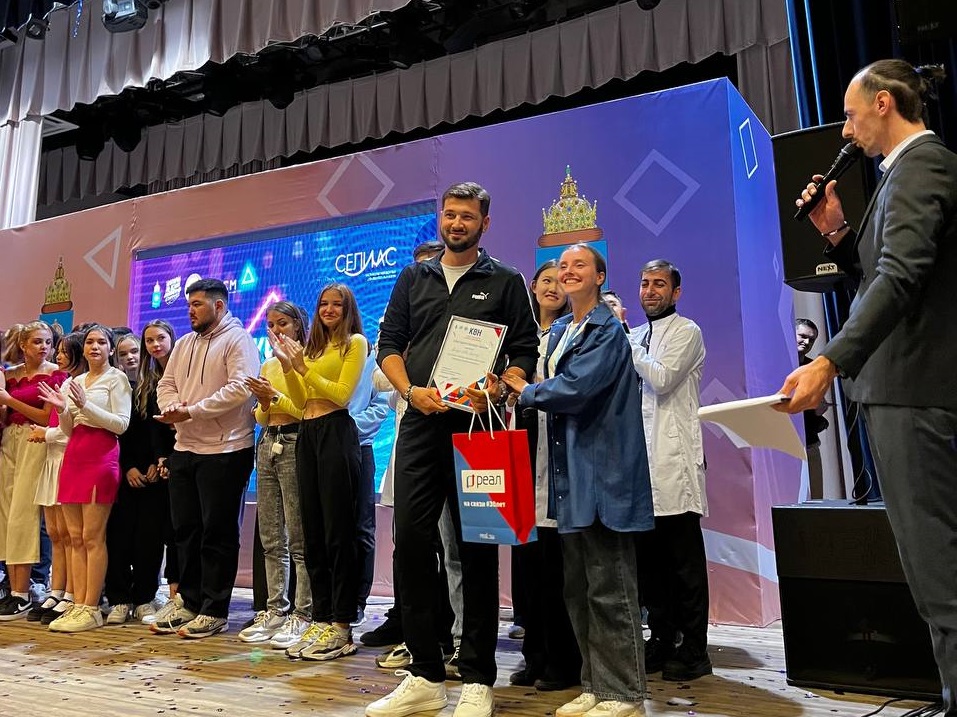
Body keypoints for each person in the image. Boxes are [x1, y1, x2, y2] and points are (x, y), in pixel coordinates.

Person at [781, 59, 957, 714]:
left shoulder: (923, 165)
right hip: (897, 391)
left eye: (851, 114)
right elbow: (882, 274)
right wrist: (835, 230)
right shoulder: (899, 175)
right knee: (932, 571)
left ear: (884, 103)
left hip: (913, 391)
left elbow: (901, 278)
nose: (845, 130)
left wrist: (828, 361)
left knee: (939, 573)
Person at [368, 181, 539, 717]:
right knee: (411, 544)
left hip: (477, 430)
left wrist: (501, 385)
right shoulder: (412, 277)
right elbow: (389, 344)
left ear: (484, 224)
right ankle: (424, 673)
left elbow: (525, 351)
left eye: (467, 216)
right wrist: (409, 391)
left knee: (477, 549)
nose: (456, 223)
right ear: (440, 219)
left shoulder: (506, 280)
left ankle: (478, 679)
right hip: (420, 424)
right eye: (449, 214)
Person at [503, 243, 653, 717]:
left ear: (600, 276)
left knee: (611, 590)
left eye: (579, 265)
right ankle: (594, 683)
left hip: (603, 474)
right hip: (569, 480)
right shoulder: (562, 330)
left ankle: (623, 692)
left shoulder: (607, 329)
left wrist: (526, 390)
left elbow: (577, 388)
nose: (568, 272)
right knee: (579, 591)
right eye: (562, 265)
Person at [153, 278, 260, 639]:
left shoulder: (238, 339)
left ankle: (214, 610)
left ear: (219, 306)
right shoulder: (184, 343)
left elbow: (241, 387)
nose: (190, 311)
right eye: (189, 305)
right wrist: (172, 407)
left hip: (226, 449)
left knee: (218, 533)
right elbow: (165, 384)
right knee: (186, 531)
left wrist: (192, 411)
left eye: (197, 304)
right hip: (185, 448)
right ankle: (189, 601)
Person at [269, 283, 366, 662]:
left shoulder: (354, 343)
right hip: (307, 434)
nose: (328, 309)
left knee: (338, 533)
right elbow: (299, 400)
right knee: (312, 533)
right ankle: (321, 618)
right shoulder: (311, 349)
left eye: (336, 304)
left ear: (347, 308)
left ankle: (342, 625)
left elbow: (340, 395)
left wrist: (301, 367)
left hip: (336, 433)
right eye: (323, 303)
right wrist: (288, 366)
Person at [629, 259, 711, 681]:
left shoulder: (687, 331)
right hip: (639, 466)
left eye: (659, 284)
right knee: (650, 565)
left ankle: (694, 648)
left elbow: (661, 379)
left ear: (675, 292)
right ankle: (660, 639)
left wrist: (627, 345)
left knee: (684, 565)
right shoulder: (635, 334)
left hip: (673, 462)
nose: (650, 291)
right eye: (645, 283)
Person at [508, 259, 581, 693]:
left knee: (558, 569)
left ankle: (563, 660)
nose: (553, 287)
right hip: (519, 454)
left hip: (557, 459)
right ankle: (533, 655)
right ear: (533, 287)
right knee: (527, 567)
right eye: (546, 280)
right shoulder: (518, 338)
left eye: (561, 280)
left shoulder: (575, 333)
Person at [39, 324, 132, 632]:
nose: (94, 346)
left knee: (92, 537)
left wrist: (84, 405)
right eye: (90, 341)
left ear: (110, 348)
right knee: (75, 537)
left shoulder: (116, 379)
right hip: (74, 457)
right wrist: (63, 410)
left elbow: (120, 424)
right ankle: (77, 604)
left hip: (101, 457)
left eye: (101, 342)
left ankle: (91, 607)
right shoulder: (75, 381)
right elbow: (68, 430)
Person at [240, 301, 312, 648]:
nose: (276, 330)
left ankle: (303, 613)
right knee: (271, 537)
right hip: (268, 442)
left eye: (282, 323)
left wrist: (275, 397)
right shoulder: (268, 363)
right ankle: (274, 610)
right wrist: (265, 402)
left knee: (298, 537)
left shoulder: (306, 360)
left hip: (296, 442)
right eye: (270, 324)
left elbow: (304, 409)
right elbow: (261, 416)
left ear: (298, 325)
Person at [0, 321, 67, 620]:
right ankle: (12, 587)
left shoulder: (55, 374)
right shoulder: (10, 373)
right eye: (38, 342)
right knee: (6, 513)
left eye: (48, 342)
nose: (44, 347)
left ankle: (23, 592)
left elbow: (46, 416)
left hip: (35, 438)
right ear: (23, 345)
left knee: (23, 513)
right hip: (9, 440)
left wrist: (10, 401)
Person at [102, 331, 169, 625]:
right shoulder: (113, 387)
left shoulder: (155, 386)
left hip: (154, 475)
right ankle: (119, 599)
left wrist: (156, 463)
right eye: (123, 353)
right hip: (120, 473)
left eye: (134, 352)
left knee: (149, 540)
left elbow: (159, 432)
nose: (129, 357)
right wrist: (127, 466)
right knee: (118, 537)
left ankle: (144, 598)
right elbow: (117, 434)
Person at [27, 332, 87, 625]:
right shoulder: (63, 383)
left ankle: (73, 593)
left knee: (71, 535)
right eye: (58, 351)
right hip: (52, 462)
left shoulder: (80, 386)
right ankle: (57, 589)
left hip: (67, 460)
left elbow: (75, 430)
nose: (58, 355)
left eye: (64, 351)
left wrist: (46, 434)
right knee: (55, 534)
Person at [135, 320, 179, 625]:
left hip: (185, 459)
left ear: (171, 339)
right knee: (152, 533)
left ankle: (178, 597)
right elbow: (151, 427)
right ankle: (148, 597)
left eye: (160, 338)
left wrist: (171, 460)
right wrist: (159, 459)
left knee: (177, 533)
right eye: (149, 341)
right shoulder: (147, 383)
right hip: (159, 467)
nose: (155, 345)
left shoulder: (183, 375)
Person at [348, 348, 391, 628]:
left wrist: (343, 426)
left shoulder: (373, 358)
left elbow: (380, 407)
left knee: (362, 528)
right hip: (323, 447)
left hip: (359, 448)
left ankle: (357, 601)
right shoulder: (322, 353)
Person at [794, 318, 828, 499]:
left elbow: (819, 404)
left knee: (815, 497)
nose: (806, 342)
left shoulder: (814, 368)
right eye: (802, 336)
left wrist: (819, 408)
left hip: (809, 441)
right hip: (781, 443)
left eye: (811, 339)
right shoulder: (776, 363)